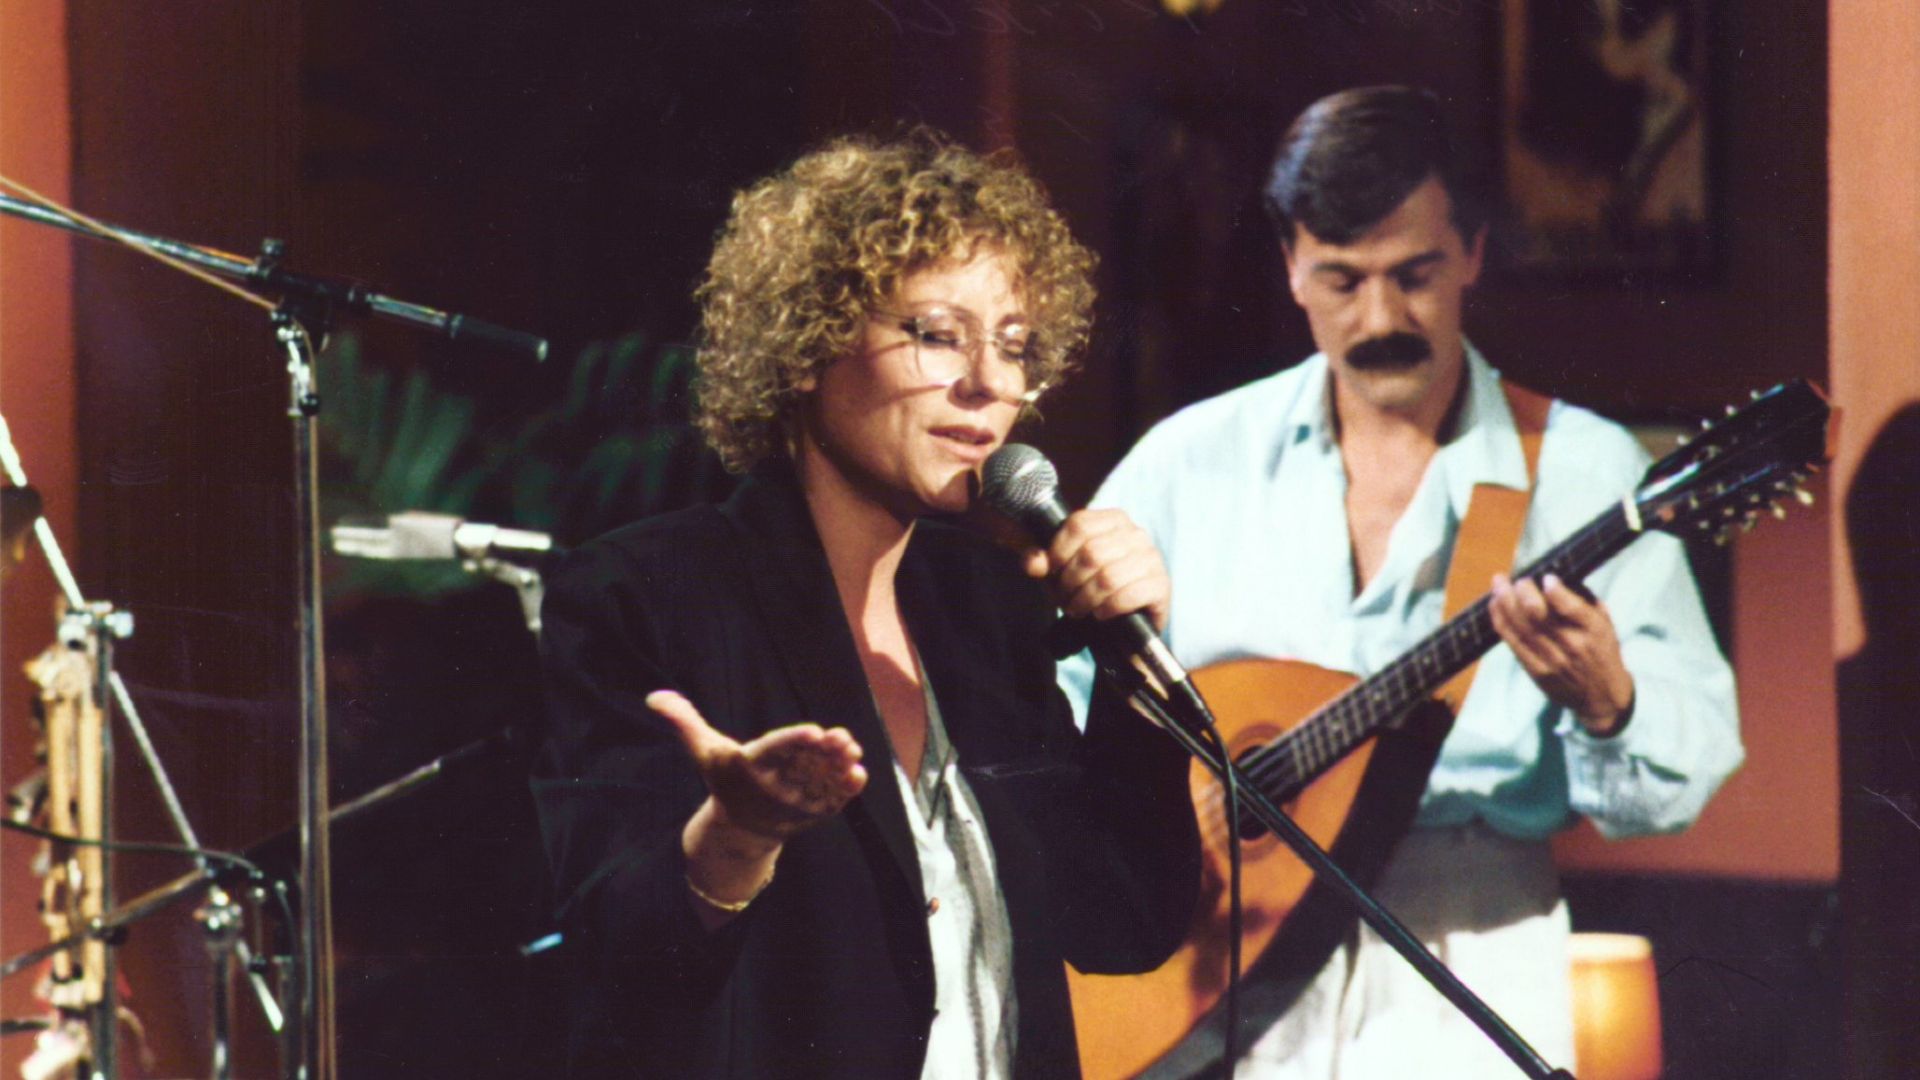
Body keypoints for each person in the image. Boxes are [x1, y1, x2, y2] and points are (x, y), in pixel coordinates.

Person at [1058, 86, 1743, 1077]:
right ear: (1290, 266)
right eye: (1341, 279)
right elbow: (1066, 715)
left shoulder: (1584, 472)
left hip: (1467, 960)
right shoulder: (1188, 462)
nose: (1380, 318)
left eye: (1414, 275)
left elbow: (1691, 767)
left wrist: (1610, 704)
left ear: (1472, 253)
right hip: (1211, 973)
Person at [533, 131, 1201, 1079]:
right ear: (810, 345)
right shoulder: (643, 595)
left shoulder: (992, 613)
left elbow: (1122, 925)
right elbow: (617, 965)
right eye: (936, 334)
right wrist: (736, 838)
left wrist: (1133, 667)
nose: (988, 383)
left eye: (1014, 347)